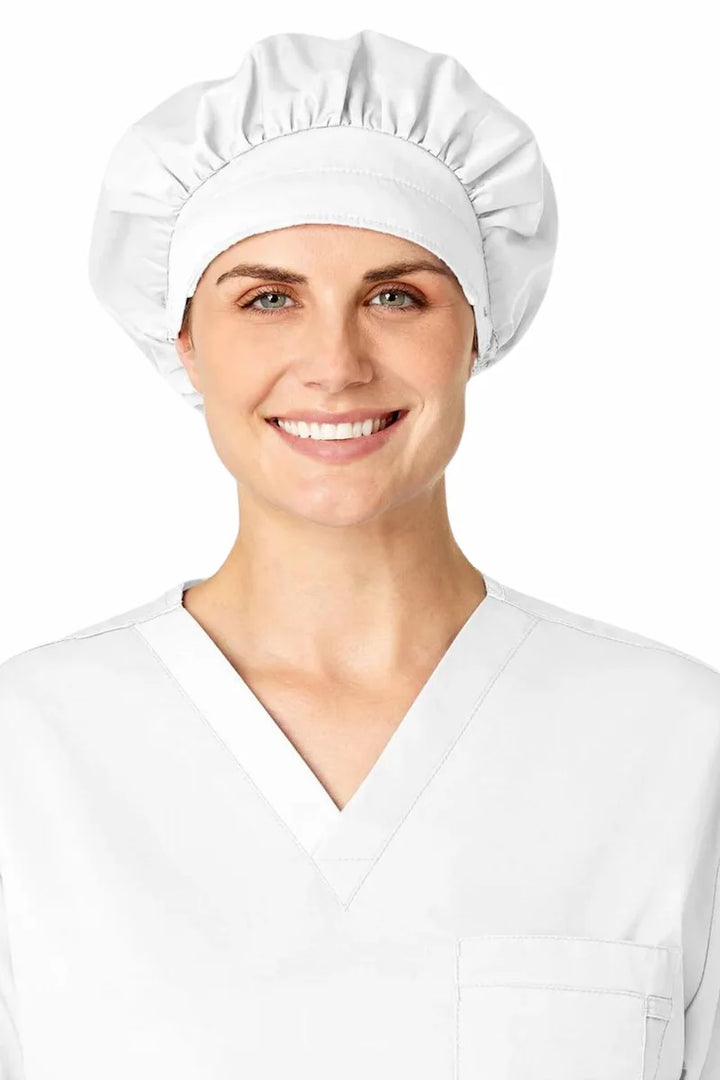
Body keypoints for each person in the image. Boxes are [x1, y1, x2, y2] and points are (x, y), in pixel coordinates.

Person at [0, 27, 718, 1080]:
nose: (334, 364)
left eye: (396, 295)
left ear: (477, 326)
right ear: (185, 340)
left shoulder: (676, 746)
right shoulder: (31, 751)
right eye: (267, 297)